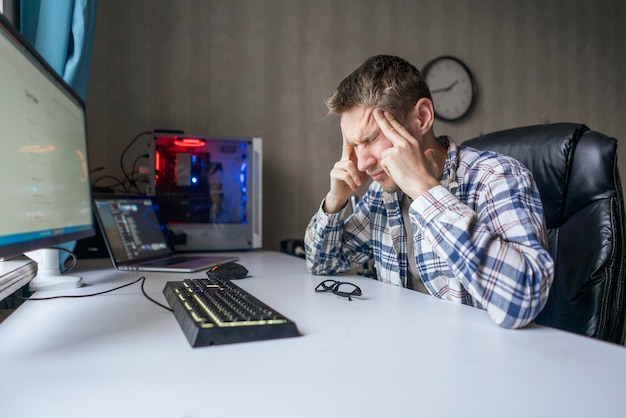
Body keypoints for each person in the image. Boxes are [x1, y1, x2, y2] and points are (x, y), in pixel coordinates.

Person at [304, 54, 554, 329]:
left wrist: (424, 191)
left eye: (371, 139)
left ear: (422, 118)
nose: (361, 163)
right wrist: (335, 200)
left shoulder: (496, 178)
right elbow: (322, 264)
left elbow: (522, 303)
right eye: (354, 145)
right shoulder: (383, 192)